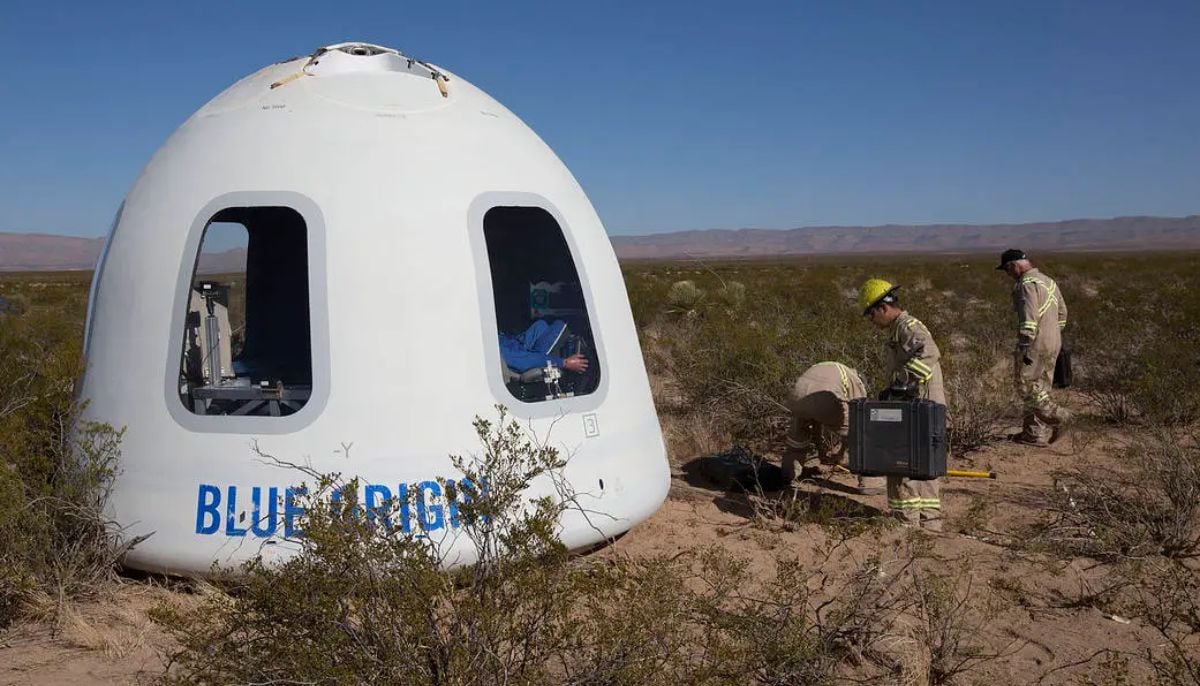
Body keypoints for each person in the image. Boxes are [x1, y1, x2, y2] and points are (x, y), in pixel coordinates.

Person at [859, 278, 945, 532]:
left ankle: (905, 520)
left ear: (882, 308)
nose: (871, 321)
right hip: (920, 406)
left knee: (900, 461)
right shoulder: (900, 329)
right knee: (923, 464)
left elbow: (930, 352)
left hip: (918, 406)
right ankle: (929, 522)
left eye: (870, 314)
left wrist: (904, 382)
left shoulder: (907, 326)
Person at [996, 249, 1071, 445]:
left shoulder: (1025, 285)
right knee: (1041, 387)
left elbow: (1028, 319)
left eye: (1006, 270)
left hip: (1035, 343)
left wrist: (1024, 345)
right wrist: (1052, 333)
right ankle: (1033, 433)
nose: (1008, 275)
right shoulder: (1049, 282)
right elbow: (1062, 313)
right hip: (1054, 340)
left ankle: (1061, 417)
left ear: (1014, 265)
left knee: (1027, 386)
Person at [781, 361, 886, 496]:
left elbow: (816, 420)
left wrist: (822, 451)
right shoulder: (853, 378)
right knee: (862, 433)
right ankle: (872, 482)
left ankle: (789, 473)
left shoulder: (823, 367)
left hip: (797, 397)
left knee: (798, 435)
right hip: (823, 400)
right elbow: (858, 412)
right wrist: (842, 452)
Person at [499, 319, 589, 375]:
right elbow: (524, 361)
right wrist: (564, 363)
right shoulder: (498, 352)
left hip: (517, 347)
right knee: (561, 325)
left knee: (540, 325)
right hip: (524, 358)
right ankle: (580, 362)